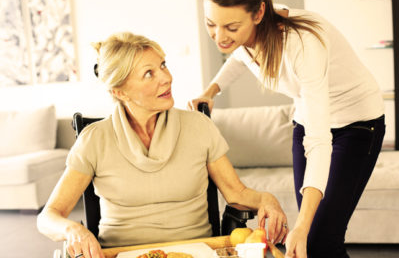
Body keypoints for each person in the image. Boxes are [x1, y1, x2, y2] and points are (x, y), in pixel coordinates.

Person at [37, 32, 287, 258]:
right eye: (149, 73)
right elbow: (48, 217)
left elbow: (237, 194)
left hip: (196, 252)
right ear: (120, 93)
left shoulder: (199, 127)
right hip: (121, 253)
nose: (166, 78)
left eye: (163, 66)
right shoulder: (94, 139)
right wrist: (72, 230)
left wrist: (267, 199)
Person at [189, 0, 385, 257]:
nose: (219, 36)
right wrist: (211, 91)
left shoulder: (302, 44)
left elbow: (319, 142)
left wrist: (301, 227)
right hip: (307, 119)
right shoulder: (246, 38)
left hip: (357, 124)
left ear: (258, 14)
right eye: (210, 24)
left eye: (231, 28)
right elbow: (238, 58)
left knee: (319, 238)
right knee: (317, 240)